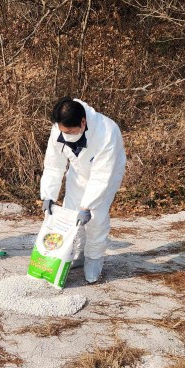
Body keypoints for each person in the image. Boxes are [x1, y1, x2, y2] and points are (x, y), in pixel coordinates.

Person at [40, 97, 126, 283]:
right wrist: (48, 194)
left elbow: (102, 175)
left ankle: (94, 258)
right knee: (71, 213)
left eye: (71, 132)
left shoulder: (106, 131)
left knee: (95, 218)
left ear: (83, 122)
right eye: (64, 132)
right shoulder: (59, 128)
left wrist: (87, 206)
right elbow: (54, 163)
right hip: (78, 174)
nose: (66, 135)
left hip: (106, 175)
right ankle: (78, 253)